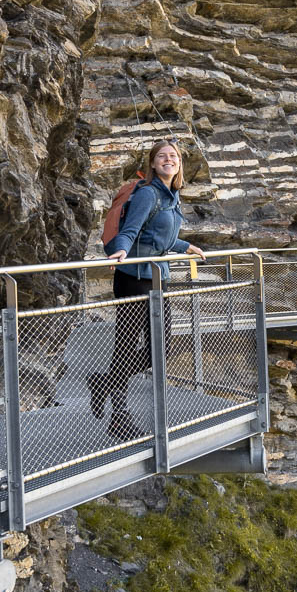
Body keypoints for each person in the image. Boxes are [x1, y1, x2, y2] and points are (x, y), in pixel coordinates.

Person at [88, 141, 205, 441]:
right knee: (126, 347)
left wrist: (184, 245)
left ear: (180, 164)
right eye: (162, 156)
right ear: (153, 164)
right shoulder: (148, 193)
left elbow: (157, 236)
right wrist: (122, 250)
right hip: (133, 278)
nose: (169, 160)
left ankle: (103, 382)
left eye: (174, 156)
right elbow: (131, 229)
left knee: (160, 350)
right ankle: (119, 418)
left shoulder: (171, 196)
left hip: (157, 278)